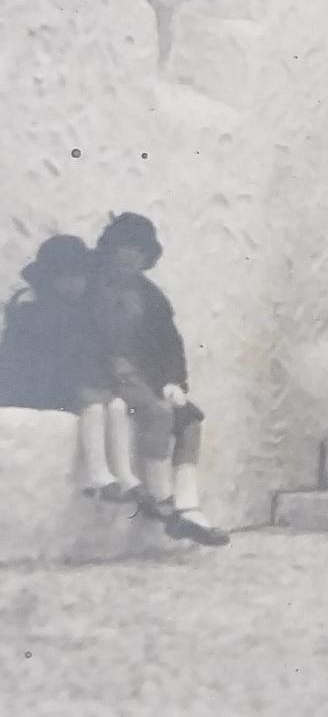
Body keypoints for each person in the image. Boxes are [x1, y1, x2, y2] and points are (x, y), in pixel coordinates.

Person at [89, 213, 229, 545]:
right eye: (123, 248)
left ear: (146, 257)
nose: (129, 257)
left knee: (189, 419)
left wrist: (175, 383)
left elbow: (170, 345)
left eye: (137, 251)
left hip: (143, 377)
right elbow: (80, 341)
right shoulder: (91, 289)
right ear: (110, 250)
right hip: (105, 375)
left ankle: (187, 504)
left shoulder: (150, 296)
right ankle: (159, 498)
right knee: (159, 412)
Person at [0, 235, 141, 502]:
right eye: (64, 277)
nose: (73, 285)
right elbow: (39, 361)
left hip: (71, 383)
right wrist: (83, 387)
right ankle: (99, 475)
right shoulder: (33, 308)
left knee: (116, 405)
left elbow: (90, 355)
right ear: (49, 279)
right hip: (33, 385)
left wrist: (103, 384)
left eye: (80, 277)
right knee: (94, 405)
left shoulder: (83, 311)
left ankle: (125, 476)